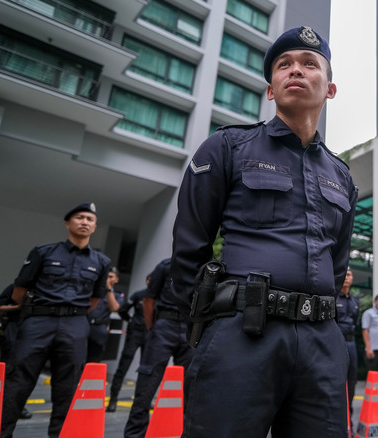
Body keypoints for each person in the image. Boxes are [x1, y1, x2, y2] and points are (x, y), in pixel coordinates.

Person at [170, 26, 357, 437]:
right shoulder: (227, 147)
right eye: (284, 65)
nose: (296, 71)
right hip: (242, 334)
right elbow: (189, 248)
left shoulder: (342, 176)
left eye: (310, 64)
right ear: (270, 90)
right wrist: (206, 329)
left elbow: (337, 261)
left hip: (322, 344)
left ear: (330, 89)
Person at [1, 202, 111, 438]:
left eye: (90, 219)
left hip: (75, 325)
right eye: (79, 217)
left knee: (68, 386)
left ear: (94, 226)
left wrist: (73, 315)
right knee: (18, 380)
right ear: (67, 223)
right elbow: (20, 288)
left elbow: (96, 298)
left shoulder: (102, 262)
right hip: (39, 321)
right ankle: (2, 433)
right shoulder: (44, 252)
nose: (84, 222)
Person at [124, 258, 194, 438]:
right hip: (165, 325)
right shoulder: (165, 266)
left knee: (189, 386)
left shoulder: (206, 267)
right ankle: (134, 435)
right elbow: (149, 300)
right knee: (147, 383)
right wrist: (153, 328)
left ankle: (181, 432)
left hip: (190, 329)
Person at [107, 276, 150, 412]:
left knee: (147, 369)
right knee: (123, 366)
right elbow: (122, 310)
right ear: (147, 281)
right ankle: (113, 399)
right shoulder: (138, 295)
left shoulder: (160, 297)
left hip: (150, 334)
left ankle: (144, 401)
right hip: (135, 332)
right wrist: (131, 321)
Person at [0, 284, 32, 420]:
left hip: (30, 328)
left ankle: (16, 405)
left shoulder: (42, 287)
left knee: (24, 369)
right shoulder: (15, 287)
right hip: (14, 326)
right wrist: (17, 307)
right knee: (8, 367)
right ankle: (2, 404)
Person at [336, 269, 359, 415]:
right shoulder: (334, 297)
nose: (346, 277)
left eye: (349, 274)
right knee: (337, 378)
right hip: (337, 343)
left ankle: (348, 415)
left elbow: (355, 322)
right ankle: (337, 414)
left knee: (352, 379)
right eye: (344, 274)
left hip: (352, 343)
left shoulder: (355, 301)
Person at [87, 267, 123, 362]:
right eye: (106, 276)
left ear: (116, 279)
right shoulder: (94, 290)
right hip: (85, 325)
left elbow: (114, 308)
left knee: (94, 361)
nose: (108, 279)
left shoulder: (117, 296)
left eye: (111, 277)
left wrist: (109, 290)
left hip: (99, 329)